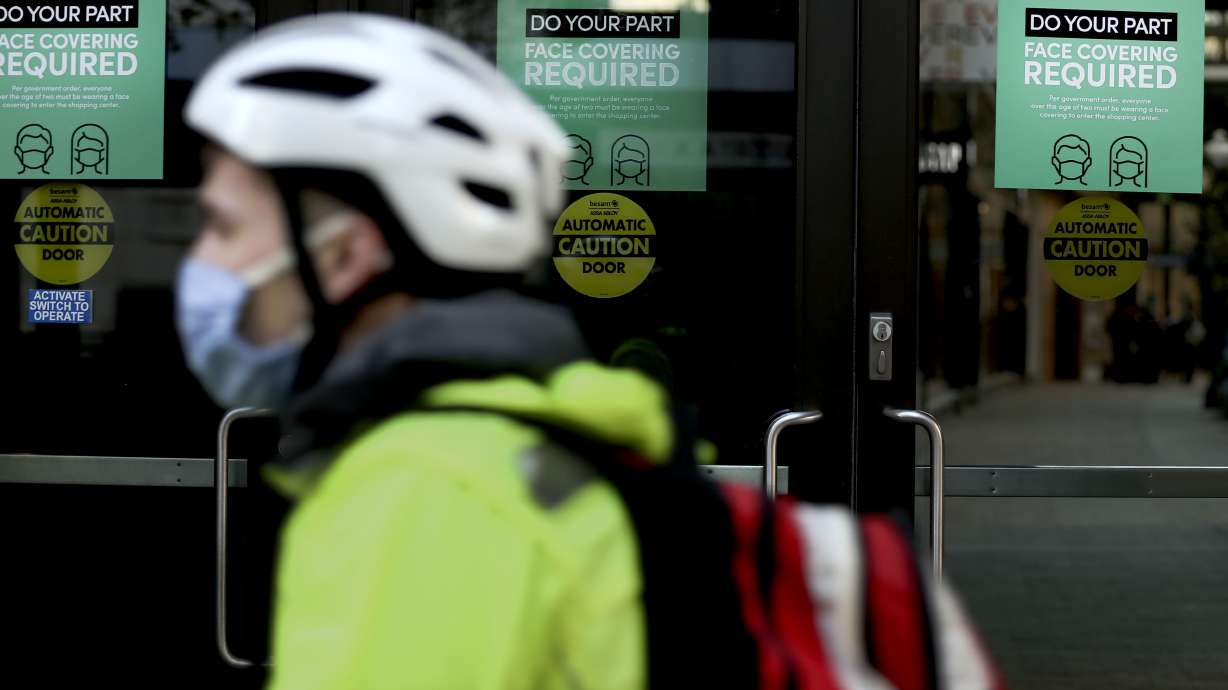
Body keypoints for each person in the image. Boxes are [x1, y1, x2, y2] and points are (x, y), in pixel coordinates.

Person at [178, 14, 1002, 690]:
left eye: (223, 224)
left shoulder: (424, 494)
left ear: (342, 255)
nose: (203, 261)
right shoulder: (537, 454)